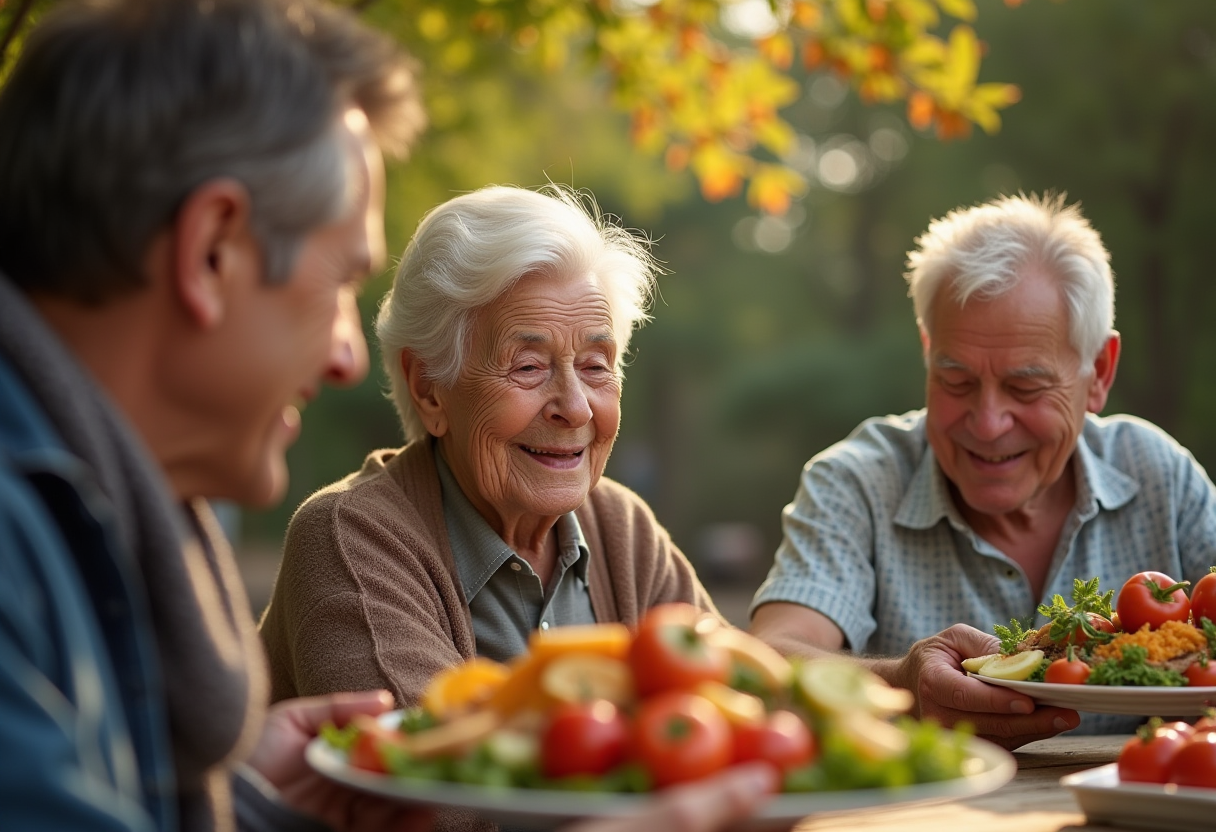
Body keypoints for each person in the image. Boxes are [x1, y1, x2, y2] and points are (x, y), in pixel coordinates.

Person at [0, 1, 777, 831]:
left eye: (597, 365)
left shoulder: (85, 523)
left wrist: (249, 806)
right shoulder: (21, 537)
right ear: (210, 252)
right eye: (340, 281)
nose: (343, 356)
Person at [749, 193, 1216, 744]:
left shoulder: (1159, 475)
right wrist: (898, 683)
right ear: (928, 352)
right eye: (956, 381)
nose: (989, 423)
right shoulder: (857, 482)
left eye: (1025, 386)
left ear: (1099, 373)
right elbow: (766, 660)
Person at [258, 183, 721, 709]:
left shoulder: (624, 530)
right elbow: (426, 779)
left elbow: (740, 716)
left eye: (596, 367)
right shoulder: (351, 538)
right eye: (527, 367)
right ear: (429, 388)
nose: (576, 407)